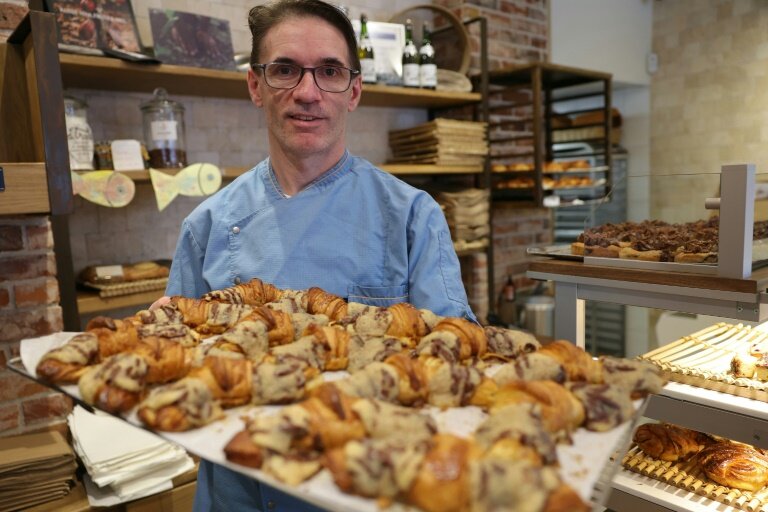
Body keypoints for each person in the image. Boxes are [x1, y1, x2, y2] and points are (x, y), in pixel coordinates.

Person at [162, 0, 476, 510]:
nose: (307, 92)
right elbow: (178, 376)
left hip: (369, 489)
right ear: (255, 86)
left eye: (329, 71)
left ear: (354, 91)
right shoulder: (208, 225)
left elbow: (456, 362)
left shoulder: (412, 216)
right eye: (285, 69)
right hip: (238, 494)